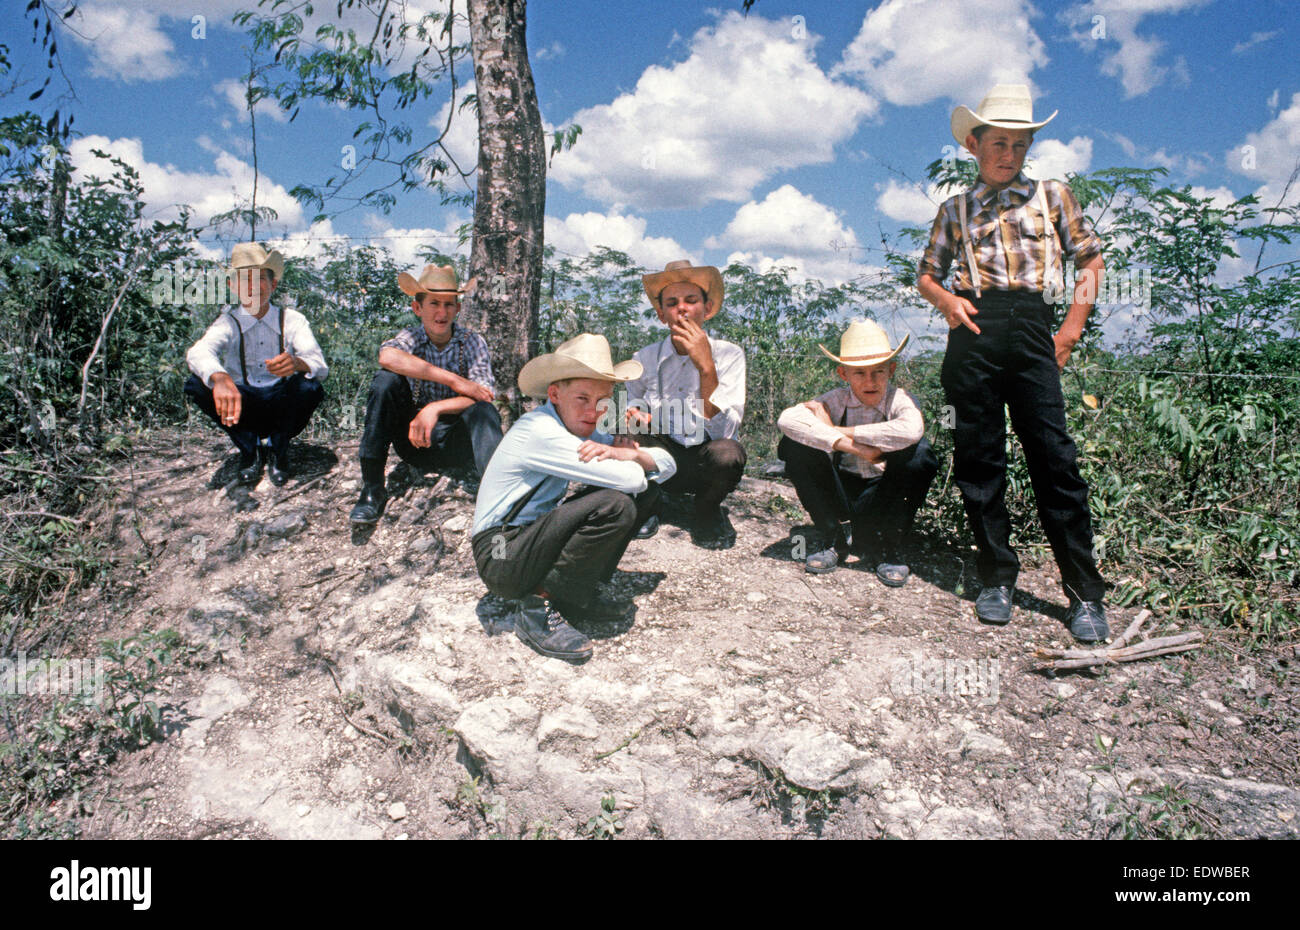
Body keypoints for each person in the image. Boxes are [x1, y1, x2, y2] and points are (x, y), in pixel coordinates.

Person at [917, 83, 1108, 642]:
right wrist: (948, 301)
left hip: (1032, 326)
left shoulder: (1052, 196)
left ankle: (1084, 594)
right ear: (974, 145)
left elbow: (1091, 260)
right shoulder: (954, 209)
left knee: (1054, 458)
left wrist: (1070, 328)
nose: (1009, 154)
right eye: (998, 143)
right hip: (972, 329)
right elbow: (927, 272)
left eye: (1020, 144)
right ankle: (996, 576)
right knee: (978, 458)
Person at [471, 334, 676, 664]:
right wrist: (625, 455)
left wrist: (626, 452)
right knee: (616, 503)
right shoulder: (539, 429)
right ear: (554, 394)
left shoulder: (583, 428)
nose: (593, 410)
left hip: (528, 541)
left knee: (645, 494)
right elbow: (630, 478)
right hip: (500, 552)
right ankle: (538, 610)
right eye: (582, 397)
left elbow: (666, 466)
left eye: (602, 400)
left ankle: (579, 593)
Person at [777, 320, 938, 586]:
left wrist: (837, 430)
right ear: (844, 374)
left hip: (883, 495)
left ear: (892, 370)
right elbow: (788, 419)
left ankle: (888, 545)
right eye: (859, 373)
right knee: (793, 444)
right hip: (841, 492)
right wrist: (853, 448)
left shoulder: (900, 400)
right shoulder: (836, 399)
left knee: (920, 455)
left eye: (878, 371)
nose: (870, 381)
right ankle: (833, 537)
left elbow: (911, 429)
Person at [349, 264, 503, 524]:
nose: (442, 313)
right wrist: (453, 380)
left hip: (457, 443)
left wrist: (435, 409)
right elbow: (387, 356)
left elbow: (484, 394)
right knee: (385, 381)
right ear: (417, 308)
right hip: (414, 441)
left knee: (484, 410)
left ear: (458, 308)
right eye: (434, 303)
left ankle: (499, 490)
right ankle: (372, 487)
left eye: (449, 304)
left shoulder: (472, 341)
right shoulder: (410, 337)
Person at [623, 260, 746, 549]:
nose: (682, 309)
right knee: (626, 431)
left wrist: (706, 368)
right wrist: (635, 415)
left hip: (705, 459)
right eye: (672, 303)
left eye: (691, 300)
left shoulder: (729, 355)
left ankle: (706, 510)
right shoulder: (644, 357)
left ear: (707, 308)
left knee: (729, 454)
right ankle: (649, 501)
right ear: (661, 314)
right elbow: (634, 407)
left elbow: (725, 432)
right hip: (662, 457)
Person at [185, 242, 328, 486]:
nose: (252, 287)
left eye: (260, 278)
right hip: (243, 406)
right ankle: (249, 449)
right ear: (233, 286)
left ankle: (278, 448)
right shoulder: (228, 321)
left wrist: (297, 363)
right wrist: (219, 378)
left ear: (273, 284)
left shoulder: (292, 320)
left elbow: (319, 365)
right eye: (244, 279)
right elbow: (199, 351)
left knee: (309, 386)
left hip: (281, 406)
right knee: (196, 384)